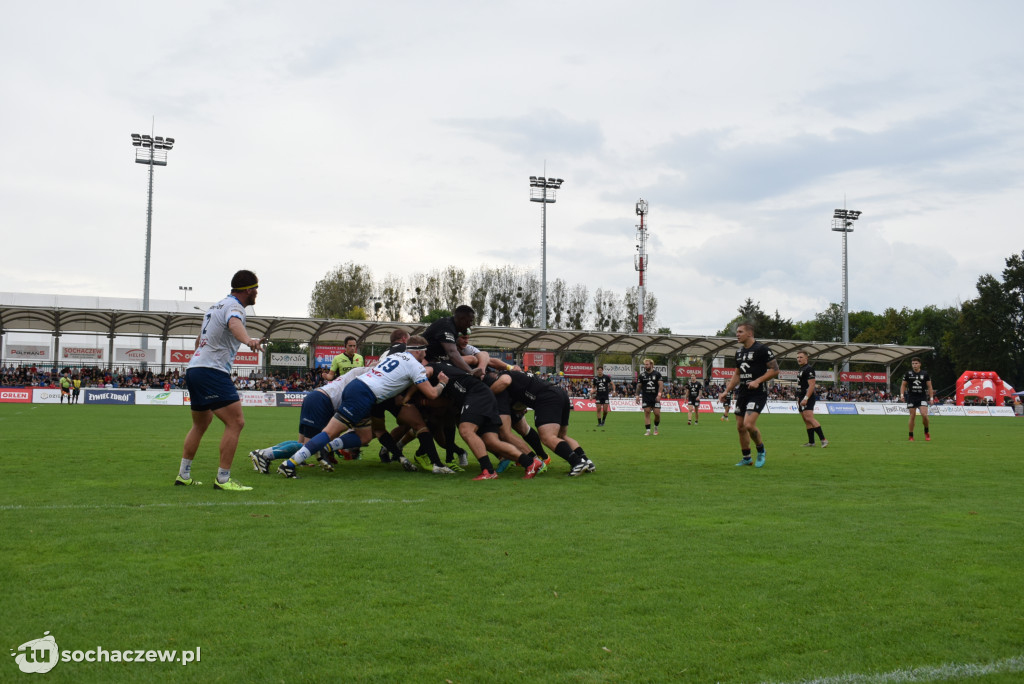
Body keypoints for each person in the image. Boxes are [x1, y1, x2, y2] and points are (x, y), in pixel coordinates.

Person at [275, 336, 447, 477]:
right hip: (363, 394)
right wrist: (442, 384)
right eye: (424, 351)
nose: (425, 355)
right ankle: (290, 464)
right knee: (328, 433)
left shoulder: (394, 356)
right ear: (418, 350)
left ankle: (325, 447)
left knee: (365, 435)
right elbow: (431, 393)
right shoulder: (415, 366)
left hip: (357, 388)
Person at [177, 269, 263, 491]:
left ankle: (183, 475)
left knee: (200, 424)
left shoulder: (215, 306)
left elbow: (200, 340)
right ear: (248, 290)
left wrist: (199, 360)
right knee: (236, 422)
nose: (257, 293)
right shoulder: (235, 307)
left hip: (195, 368)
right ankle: (223, 479)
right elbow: (235, 325)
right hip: (212, 371)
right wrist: (248, 340)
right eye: (256, 289)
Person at [718, 321, 778, 467]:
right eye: (737, 332)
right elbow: (737, 374)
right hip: (743, 392)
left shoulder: (762, 349)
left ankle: (761, 450)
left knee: (749, 424)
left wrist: (758, 381)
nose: (737, 334)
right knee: (740, 427)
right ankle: (746, 458)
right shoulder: (739, 352)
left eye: (740, 332)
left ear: (749, 333)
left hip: (758, 392)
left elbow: (775, 370)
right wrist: (727, 391)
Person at [796, 351, 829, 447]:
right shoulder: (801, 368)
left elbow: (812, 385)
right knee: (806, 420)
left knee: (809, 418)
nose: (799, 359)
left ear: (806, 358)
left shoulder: (809, 368)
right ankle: (811, 442)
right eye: (797, 357)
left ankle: (823, 439)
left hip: (808, 397)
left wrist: (806, 398)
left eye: (801, 357)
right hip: (801, 396)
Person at [900, 357, 935, 441]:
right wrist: (902, 395)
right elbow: (903, 385)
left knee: (924, 415)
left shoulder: (925, 374)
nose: (914, 365)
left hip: (922, 397)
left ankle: (926, 432)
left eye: (916, 363)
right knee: (912, 416)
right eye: (913, 363)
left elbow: (930, 387)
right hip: (911, 397)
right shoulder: (908, 374)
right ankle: (911, 435)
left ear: (920, 364)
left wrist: (931, 398)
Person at [636, 359, 663, 435]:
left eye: (647, 364)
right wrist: (637, 395)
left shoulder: (657, 374)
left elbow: (661, 385)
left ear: (651, 365)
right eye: (645, 364)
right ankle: (648, 431)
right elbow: (638, 386)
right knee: (647, 413)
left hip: (655, 397)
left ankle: (656, 427)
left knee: (657, 414)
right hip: (646, 397)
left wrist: (659, 395)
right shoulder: (642, 375)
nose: (646, 366)